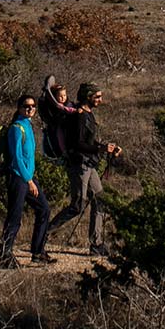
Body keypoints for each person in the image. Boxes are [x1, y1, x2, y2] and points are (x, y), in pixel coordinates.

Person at [49, 81, 120, 257]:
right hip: (79, 165)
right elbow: (77, 144)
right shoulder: (79, 116)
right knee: (77, 206)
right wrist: (101, 149)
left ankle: (96, 244)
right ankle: (43, 234)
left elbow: (87, 142)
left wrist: (105, 147)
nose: (100, 100)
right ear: (88, 96)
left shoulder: (87, 114)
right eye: (97, 97)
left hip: (89, 164)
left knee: (100, 200)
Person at [0, 94, 52, 267]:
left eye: (33, 106)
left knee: (44, 209)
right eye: (26, 106)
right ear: (19, 108)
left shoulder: (27, 125)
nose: (30, 109)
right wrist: (29, 181)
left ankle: (38, 251)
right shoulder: (16, 128)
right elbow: (17, 158)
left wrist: (30, 178)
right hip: (18, 178)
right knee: (14, 217)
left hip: (28, 177)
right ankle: (5, 257)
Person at [40, 72, 80, 161]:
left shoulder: (69, 104)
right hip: (59, 127)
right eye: (60, 96)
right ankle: (64, 151)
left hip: (68, 128)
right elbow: (66, 110)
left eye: (64, 95)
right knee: (60, 136)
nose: (63, 98)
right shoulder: (57, 107)